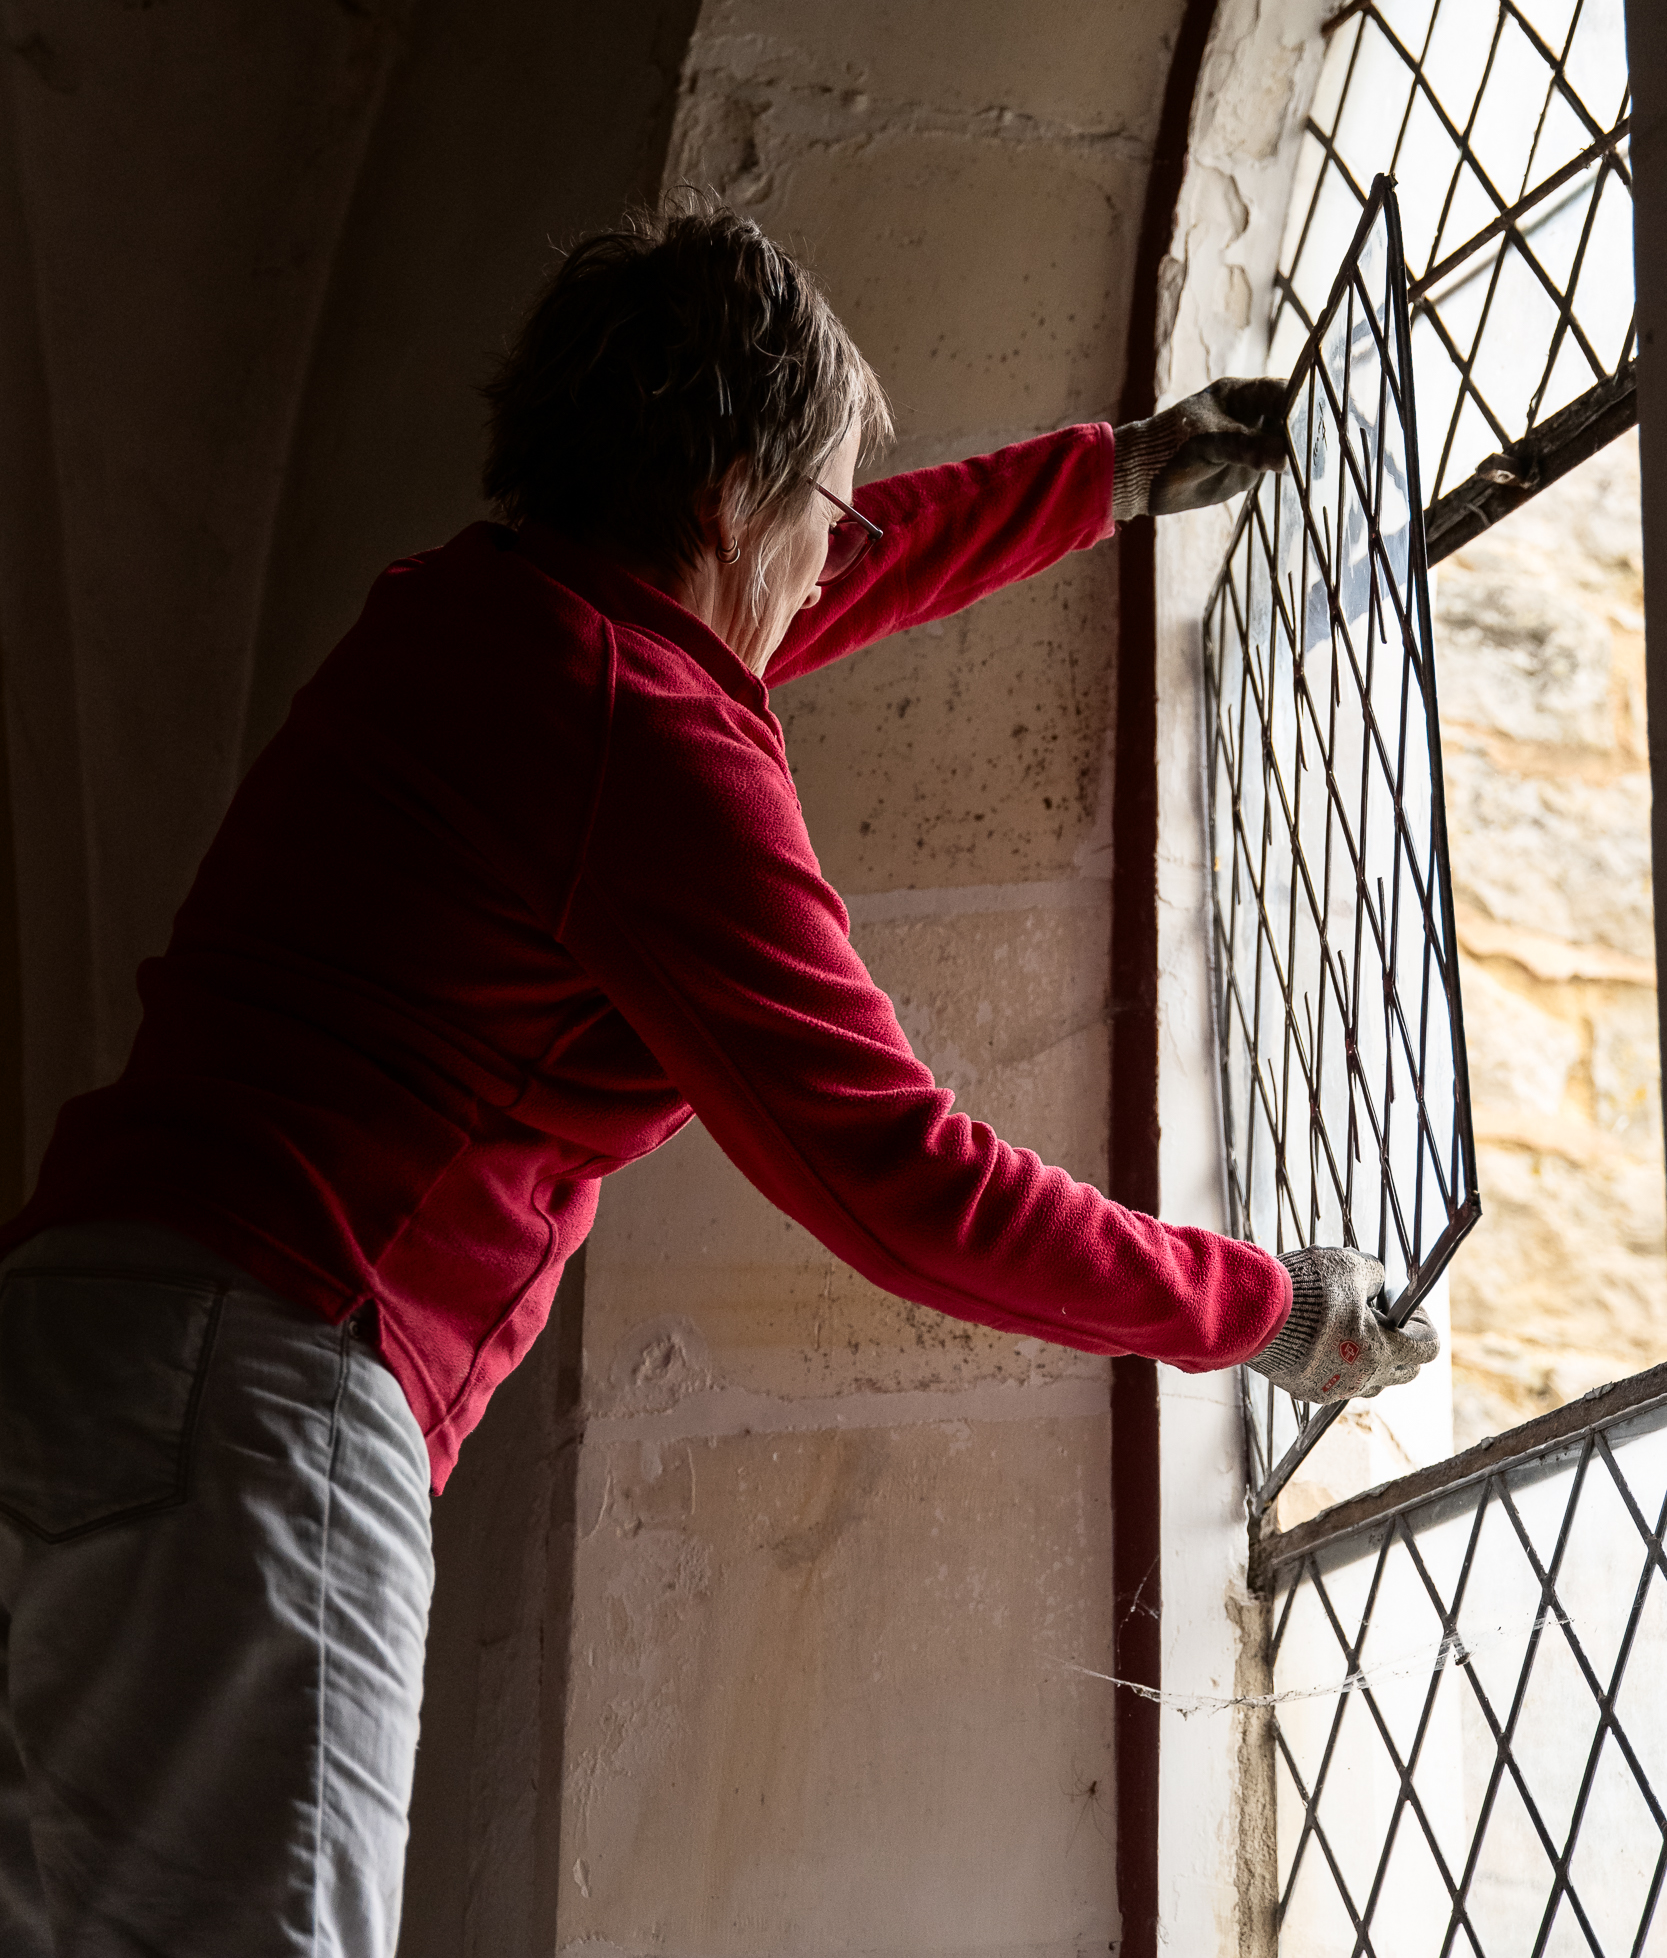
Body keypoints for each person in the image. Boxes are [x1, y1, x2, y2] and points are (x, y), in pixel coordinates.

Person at [0, 197, 1437, 1956]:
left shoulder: (474, 617)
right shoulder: (646, 741)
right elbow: (908, 1185)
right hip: (268, 1385)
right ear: (724, 501)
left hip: (75, 1348)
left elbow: (789, 599)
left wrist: (1109, 476)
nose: (838, 553)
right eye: (824, 508)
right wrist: (1264, 1309)